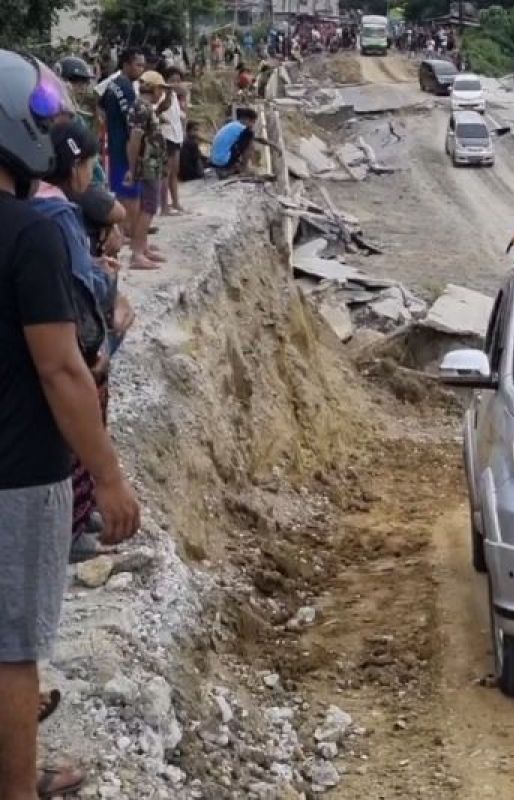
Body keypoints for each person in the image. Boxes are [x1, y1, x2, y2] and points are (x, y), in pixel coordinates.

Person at [0, 49, 140, 800]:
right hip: (17, 476)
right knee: (12, 652)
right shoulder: (35, 233)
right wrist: (110, 478)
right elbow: (61, 369)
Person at [31, 120, 133, 564]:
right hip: (78, 342)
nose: (93, 175)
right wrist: (108, 283)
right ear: (75, 167)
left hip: (70, 336)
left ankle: (83, 509)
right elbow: (81, 284)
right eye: (91, 165)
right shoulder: (58, 215)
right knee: (80, 426)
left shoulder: (42, 206)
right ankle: (73, 525)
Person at [125, 70, 169, 270]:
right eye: (161, 88)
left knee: (147, 206)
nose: (163, 93)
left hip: (152, 164)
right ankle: (137, 253)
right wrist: (132, 168)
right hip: (147, 165)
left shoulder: (145, 108)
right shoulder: (142, 109)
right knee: (149, 207)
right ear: (153, 88)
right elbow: (135, 141)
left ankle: (142, 247)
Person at [100, 48, 144, 229]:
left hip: (115, 147)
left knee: (121, 191)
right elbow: (132, 126)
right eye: (138, 64)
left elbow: (99, 107)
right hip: (124, 150)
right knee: (130, 193)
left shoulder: (112, 84)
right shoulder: (126, 88)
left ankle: (128, 231)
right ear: (126, 64)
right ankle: (130, 233)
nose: (141, 69)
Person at [56, 56, 106, 188]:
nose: (81, 86)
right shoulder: (59, 112)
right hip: (72, 179)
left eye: (84, 82)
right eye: (75, 81)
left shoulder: (77, 112)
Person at [209, 108, 277, 178]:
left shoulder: (233, 125)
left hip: (215, 161)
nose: (252, 125)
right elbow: (258, 139)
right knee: (249, 139)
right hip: (222, 161)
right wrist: (275, 146)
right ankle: (244, 170)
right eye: (252, 122)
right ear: (247, 119)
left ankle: (230, 168)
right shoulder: (243, 129)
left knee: (245, 140)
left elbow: (257, 139)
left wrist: (273, 145)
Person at [160, 67, 187, 215]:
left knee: (174, 172)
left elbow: (181, 117)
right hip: (167, 136)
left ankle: (175, 202)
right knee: (166, 172)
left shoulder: (176, 97)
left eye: (178, 81)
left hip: (176, 137)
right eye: (172, 81)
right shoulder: (163, 95)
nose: (176, 84)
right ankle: (164, 206)